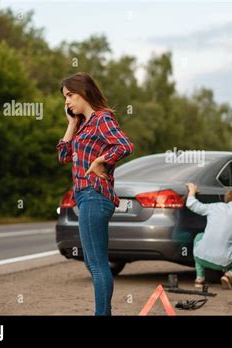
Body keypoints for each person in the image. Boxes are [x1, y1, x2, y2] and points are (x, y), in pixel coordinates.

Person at [56, 72, 134, 315]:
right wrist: (71, 124)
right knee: (93, 263)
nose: (66, 102)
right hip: (85, 197)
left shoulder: (102, 119)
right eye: (64, 97)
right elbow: (63, 156)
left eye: (70, 95)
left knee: (98, 265)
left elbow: (125, 145)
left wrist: (101, 160)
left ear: (84, 92)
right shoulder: (82, 126)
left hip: (94, 195)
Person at [185, 183, 232, 289]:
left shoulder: (214, 206)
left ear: (226, 199)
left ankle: (199, 278)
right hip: (225, 262)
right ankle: (229, 275)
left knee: (199, 236)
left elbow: (191, 204)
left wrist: (192, 190)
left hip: (201, 258)